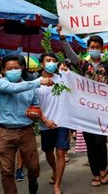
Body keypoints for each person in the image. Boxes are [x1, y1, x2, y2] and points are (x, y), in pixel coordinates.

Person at [58, 21, 108, 187]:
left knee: (100, 143)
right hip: (85, 112)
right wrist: (63, 37)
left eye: (97, 46)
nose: (94, 49)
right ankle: (95, 173)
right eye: (92, 46)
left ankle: (103, 169)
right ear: (88, 48)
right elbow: (70, 53)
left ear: (101, 49)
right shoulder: (82, 65)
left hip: (103, 112)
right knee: (90, 144)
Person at [0, 55, 54, 194]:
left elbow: (36, 106)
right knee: (6, 171)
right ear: (3, 70)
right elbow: (13, 89)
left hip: (26, 131)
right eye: (9, 69)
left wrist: (39, 116)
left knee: (33, 167)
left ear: (22, 68)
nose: (13, 71)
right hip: (5, 132)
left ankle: (33, 181)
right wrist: (39, 81)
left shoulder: (30, 87)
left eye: (16, 68)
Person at [36, 53, 70, 194]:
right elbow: (33, 105)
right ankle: (55, 171)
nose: (51, 63)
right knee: (48, 152)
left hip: (62, 122)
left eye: (54, 61)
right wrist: (44, 120)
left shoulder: (62, 79)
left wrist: (67, 72)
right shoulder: (36, 83)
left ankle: (57, 185)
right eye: (48, 60)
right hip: (45, 124)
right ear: (42, 64)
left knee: (61, 152)